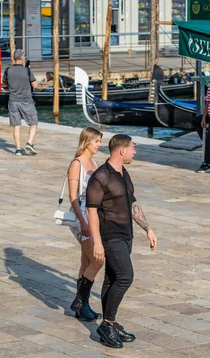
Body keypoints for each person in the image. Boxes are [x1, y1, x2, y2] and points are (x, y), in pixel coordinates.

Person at [86, 134, 157, 349]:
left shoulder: (123, 173)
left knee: (112, 277)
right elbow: (91, 212)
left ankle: (111, 323)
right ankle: (106, 325)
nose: (135, 151)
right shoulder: (100, 177)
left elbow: (132, 203)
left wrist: (148, 228)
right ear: (122, 150)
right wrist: (97, 243)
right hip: (110, 236)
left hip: (126, 235)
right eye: (133, 148)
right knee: (126, 276)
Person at [68, 127, 104, 322]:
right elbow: (73, 196)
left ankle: (82, 305)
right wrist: (82, 222)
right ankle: (80, 301)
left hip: (92, 216)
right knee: (98, 260)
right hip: (81, 217)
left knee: (86, 262)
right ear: (87, 141)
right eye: (96, 141)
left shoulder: (94, 162)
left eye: (100, 141)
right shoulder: (77, 164)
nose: (99, 145)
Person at [3, 49, 39, 156]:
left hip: (13, 101)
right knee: (33, 123)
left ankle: (18, 149)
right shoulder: (27, 71)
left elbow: (4, 84)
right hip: (26, 100)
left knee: (16, 125)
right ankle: (29, 142)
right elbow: (35, 85)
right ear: (23, 58)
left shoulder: (8, 70)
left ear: (14, 58)